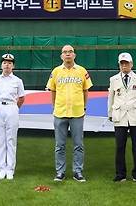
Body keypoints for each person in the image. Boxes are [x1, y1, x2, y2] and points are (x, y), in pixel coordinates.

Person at [47, 45, 92, 182]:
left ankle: (77, 171)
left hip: (77, 113)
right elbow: (52, 90)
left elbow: (86, 90)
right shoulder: (56, 72)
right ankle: (60, 172)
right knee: (59, 145)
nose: (68, 54)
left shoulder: (82, 71)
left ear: (74, 55)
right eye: (65, 52)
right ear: (61, 56)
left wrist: (84, 107)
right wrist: (54, 107)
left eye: (70, 52)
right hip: (60, 112)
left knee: (78, 144)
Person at [107, 52, 136, 183]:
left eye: (127, 63)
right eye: (122, 63)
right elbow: (111, 98)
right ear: (119, 65)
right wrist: (110, 113)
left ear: (132, 64)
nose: (124, 66)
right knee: (120, 147)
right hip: (120, 116)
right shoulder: (113, 79)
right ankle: (120, 174)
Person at [0, 53, 25, 180]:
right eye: (4, 62)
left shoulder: (17, 81)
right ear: (1, 65)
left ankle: (10, 169)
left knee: (11, 140)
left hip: (12, 107)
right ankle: (1, 169)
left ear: (13, 66)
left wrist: (13, 108)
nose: (7, 65)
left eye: (9, 63)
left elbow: (21, 98)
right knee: (0, 140)